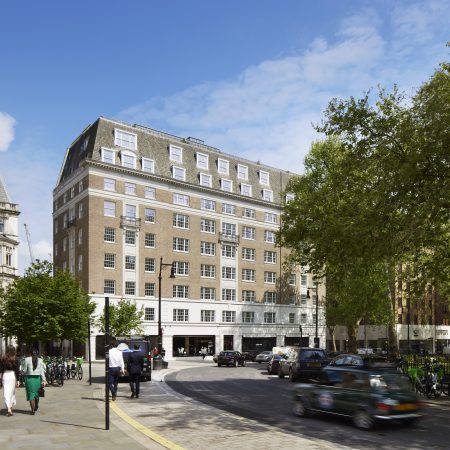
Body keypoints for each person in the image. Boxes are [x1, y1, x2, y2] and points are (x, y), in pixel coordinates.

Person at [21, 348, 46, 415]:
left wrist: (22, 372)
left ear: (30, 353)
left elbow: (24, 370)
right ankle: (36, 405)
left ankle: (33, 410)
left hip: (29, 379)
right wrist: (44, 380)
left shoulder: (26, 359)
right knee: (36, 394)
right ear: (37, 353)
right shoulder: (40, 360)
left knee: (31, 394)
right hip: (37, 379)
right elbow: (42, 371)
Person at [0, 345, 20, 416]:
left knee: (6, 392)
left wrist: (0, 378)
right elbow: (17, 371)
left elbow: (1, 370)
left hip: (5, 375)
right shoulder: (16, 359)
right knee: (12, 392)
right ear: (14, 350)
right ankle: (10, 407)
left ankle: (9, 408)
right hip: (12, 376)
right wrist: (18, 380)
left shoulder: (3, 359)